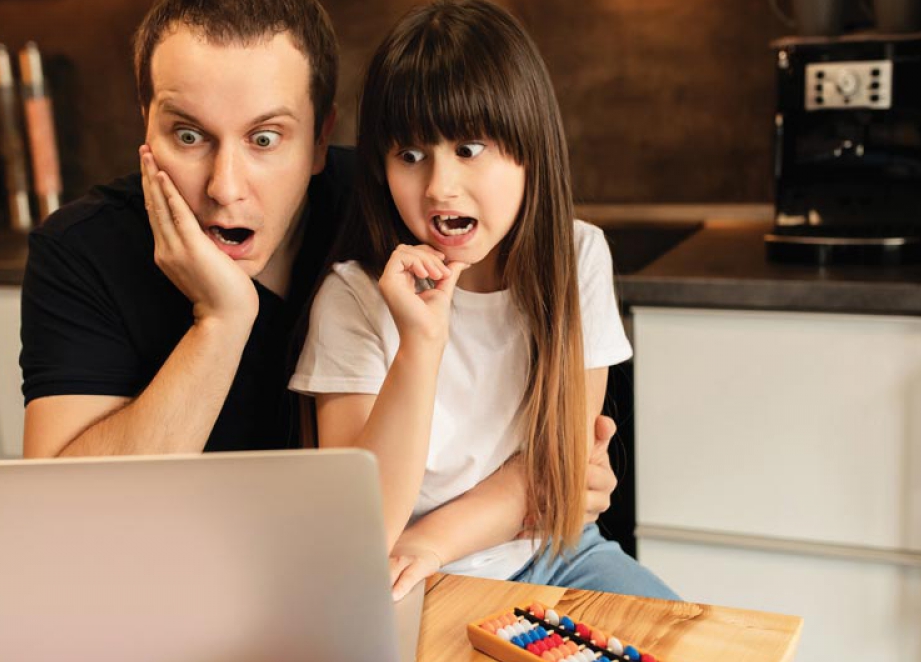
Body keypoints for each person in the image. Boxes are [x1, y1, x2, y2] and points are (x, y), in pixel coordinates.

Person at [18, 0, 621, 535]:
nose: (225, 188)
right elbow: (66, 524)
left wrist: (547, 485)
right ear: (144, 122)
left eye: (265, 139)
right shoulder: (81, 250)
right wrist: (222, 322)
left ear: (319, 139)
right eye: (188, 135)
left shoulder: (395, 206)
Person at [289, 0, 680, 604]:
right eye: (411, 156)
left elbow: (559, 464)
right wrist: (421, 342)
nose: (440, 186)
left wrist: (434, 539)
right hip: (409, 582)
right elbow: (362, 527)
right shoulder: (353, 298)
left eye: (469, 148)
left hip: (558, 553)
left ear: (529, 146)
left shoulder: (577, 257)